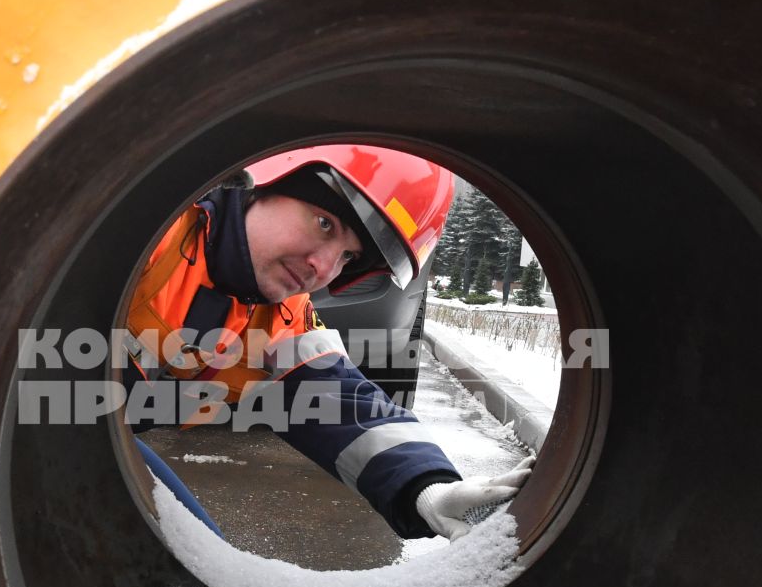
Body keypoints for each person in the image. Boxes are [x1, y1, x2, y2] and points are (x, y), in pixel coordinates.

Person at [126, 147, 531, 542]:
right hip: (68, 430)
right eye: (324, 224)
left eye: (348, 257)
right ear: (260, 183)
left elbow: (344, 405)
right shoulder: (147, 231)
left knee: (189, 554)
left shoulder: (276, 316)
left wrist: (428, 490)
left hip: (92, 431)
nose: (323, 268)